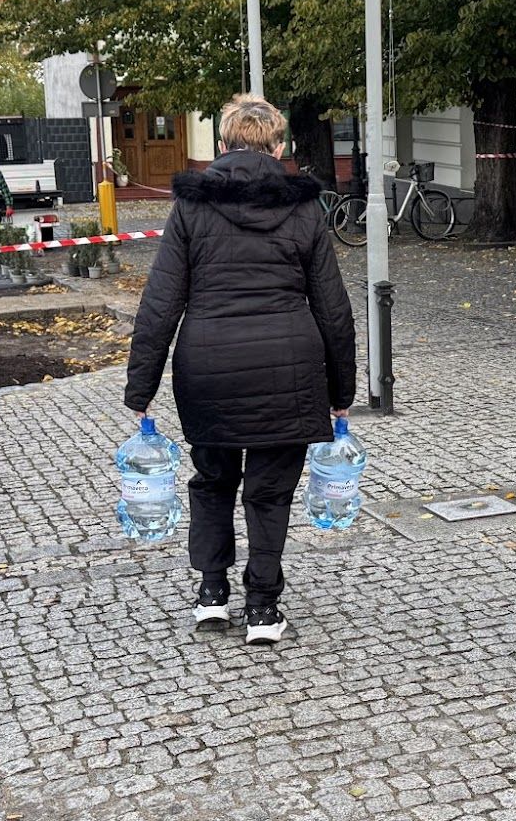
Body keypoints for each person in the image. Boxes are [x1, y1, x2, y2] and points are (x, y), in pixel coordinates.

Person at [124, 95, 356, 647]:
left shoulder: (192, 206)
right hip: (288, 369)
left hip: (208, 367)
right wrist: (342, 390)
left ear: (223, 144)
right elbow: (333, 307)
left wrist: (141, 386)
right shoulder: (304, 208)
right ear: (278, 147)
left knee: (212, 480)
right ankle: (263, 607)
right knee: (270, 492)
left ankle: (211, 593)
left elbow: (161, 301)